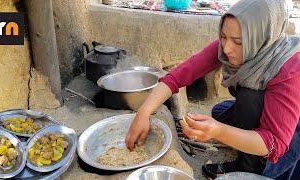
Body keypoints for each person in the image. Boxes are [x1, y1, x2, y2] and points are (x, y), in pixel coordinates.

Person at [125, 0, 300, 179]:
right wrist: (144, 112)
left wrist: (219, 131)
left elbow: (275, 143)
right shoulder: (234, 46)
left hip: (291, 127)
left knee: (249, 99)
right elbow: (179, 75)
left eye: (238, 41)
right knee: (219, 111)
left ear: (261, 36)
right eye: (223, 37)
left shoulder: (289, 68)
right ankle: (246, 140)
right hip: (266, 110)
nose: (226, 48)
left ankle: (248, 167)